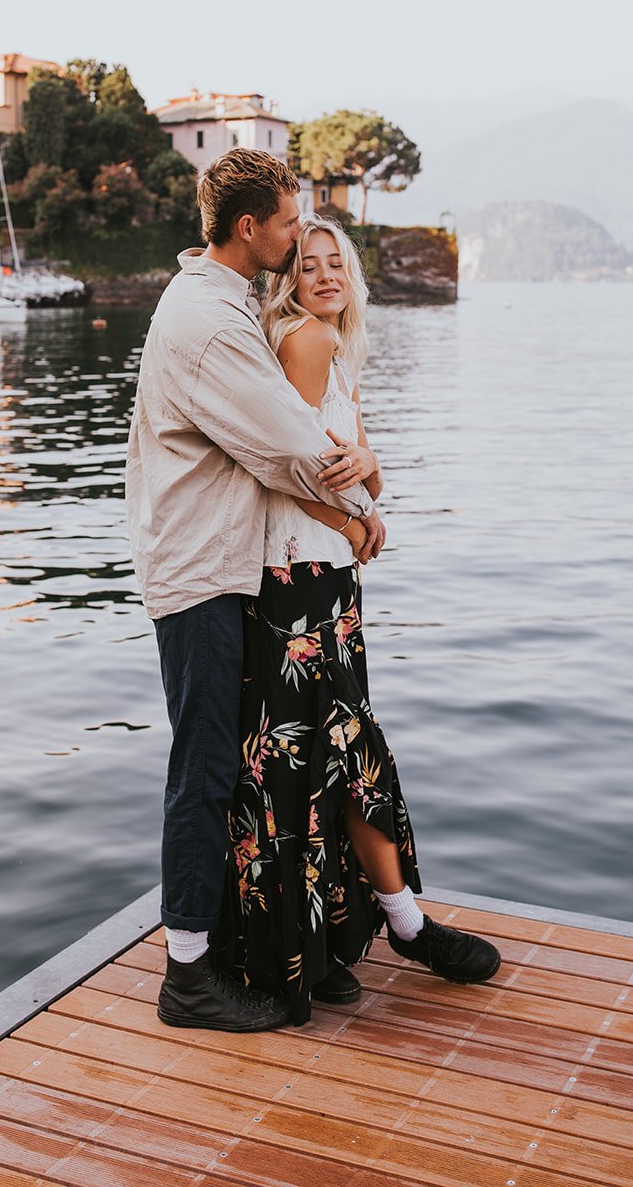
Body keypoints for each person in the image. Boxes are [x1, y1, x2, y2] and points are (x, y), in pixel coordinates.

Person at [211, 216, 501, 1022]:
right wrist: (349, 520)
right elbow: (280, 465)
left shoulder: (341, 350)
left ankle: (332, 947)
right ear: (289, 278)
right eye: (309, 264)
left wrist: (368, 487)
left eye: (336, 263)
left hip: (326, 578)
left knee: (319, 759)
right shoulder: (305, 341)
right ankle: (399, 924)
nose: (325, 275)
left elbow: (363, 478)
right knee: (328, 753)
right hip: (299, 576)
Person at [126, 150, 384, 1034]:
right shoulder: (208, 321)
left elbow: (297, 434)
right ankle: (187, 978)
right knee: (201, 772)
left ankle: (249, 946)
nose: (295, 234)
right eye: (287, 223)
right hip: (200, 571)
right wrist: (357, 515)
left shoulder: (224, 301)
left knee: (234, 766)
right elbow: (284, 443)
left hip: (222, 563)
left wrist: (365, 474)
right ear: (250, 228)